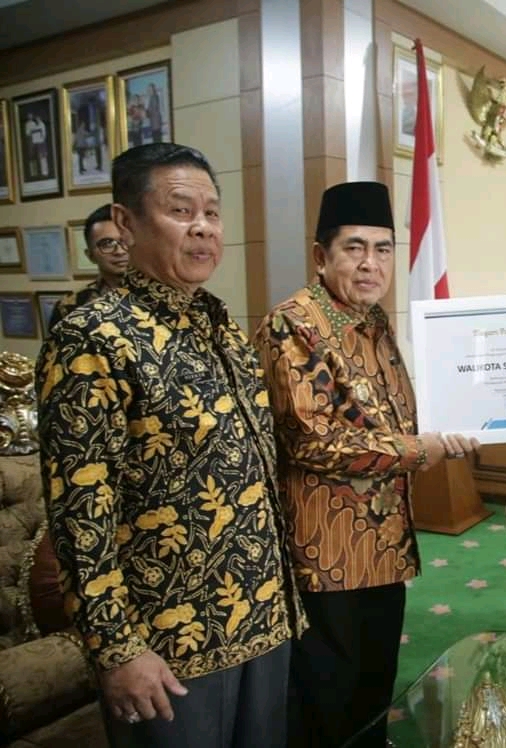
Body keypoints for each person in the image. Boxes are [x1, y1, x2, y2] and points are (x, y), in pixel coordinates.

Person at [37, 142, 305, 748]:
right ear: (126, 223)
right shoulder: (93, 338)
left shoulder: (221, 327)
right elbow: (80, 514)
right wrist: (117, 649)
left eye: (211, 212)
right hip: (168, 647)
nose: (203, 227)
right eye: (181, 211)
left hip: (264, 617)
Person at [254, 181, 479, 748]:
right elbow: (313, 441)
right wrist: (421, 449)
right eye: (353, 248)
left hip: (385, 543)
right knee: (327, 698)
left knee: (375, 687)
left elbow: (393, 416)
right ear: (320, 255)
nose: (370, 264)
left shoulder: (375, 321)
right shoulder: (295, 324)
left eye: (382, 249)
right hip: (326, 550)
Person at [47, 203, 129, 333]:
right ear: (90, 256)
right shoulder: (69, 307)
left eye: (125, 241)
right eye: (107, 244)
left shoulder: (160, 295)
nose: (119, 251)